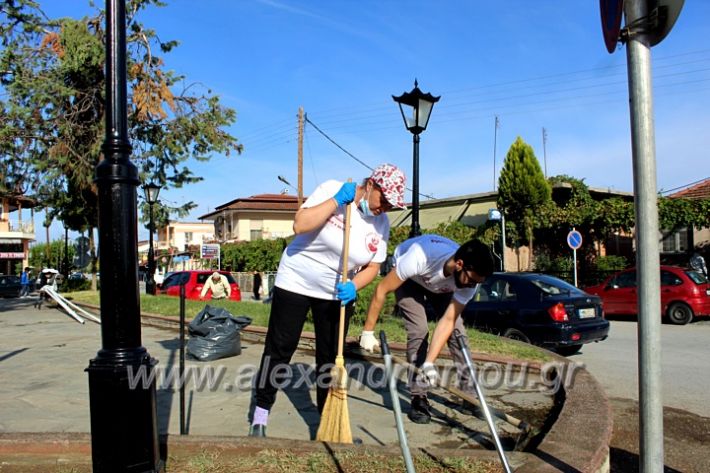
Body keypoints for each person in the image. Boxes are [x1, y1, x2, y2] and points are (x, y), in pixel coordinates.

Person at [249, 163, 406, 438]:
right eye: (385, 200)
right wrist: (336, 201)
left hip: (335, 292)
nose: (386, 208)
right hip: (295, 280)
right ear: (371, 185)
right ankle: (260, 413)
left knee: (330, 358)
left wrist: (354, 286)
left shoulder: (381, 225)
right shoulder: (333, 190)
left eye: (393, 205)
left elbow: (373, 266)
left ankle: (327, 423)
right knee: (280, 348)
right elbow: (299, 225)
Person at [358, 235, 495, 424]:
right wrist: (367, 332)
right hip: (410, 281)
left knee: (457, 333)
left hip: (440, 287)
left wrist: (429, 363)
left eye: (477, 283)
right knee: (419, 330)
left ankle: (469, 396)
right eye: (471, 281)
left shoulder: (470, 281)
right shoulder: (420, 256)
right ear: (459, 264)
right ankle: (419, 396)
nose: (472, 286)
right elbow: (381, 289)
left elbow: (447, 321)